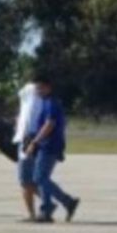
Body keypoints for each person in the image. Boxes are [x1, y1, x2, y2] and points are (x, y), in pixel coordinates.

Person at [25, 75, 79, 223]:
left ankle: (68, 201)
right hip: (45, 144)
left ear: (48, 87)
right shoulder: (45, 102)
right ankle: (47, 210)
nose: (38, 90)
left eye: (40, 87)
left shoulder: (51, 103)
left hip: (49, 145)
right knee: (43, 178)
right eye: (36, 88)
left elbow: (49, 125)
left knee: (39, 178)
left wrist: (35, 142)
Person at [13, 82, 43, 222]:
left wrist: (25, 137)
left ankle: (33, 214)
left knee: (25, 180)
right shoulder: (37, 96)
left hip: (27, 139)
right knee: (31, 180)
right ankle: (55, 202)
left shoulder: (31, 92)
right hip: (29, 138)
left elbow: (28, 117)